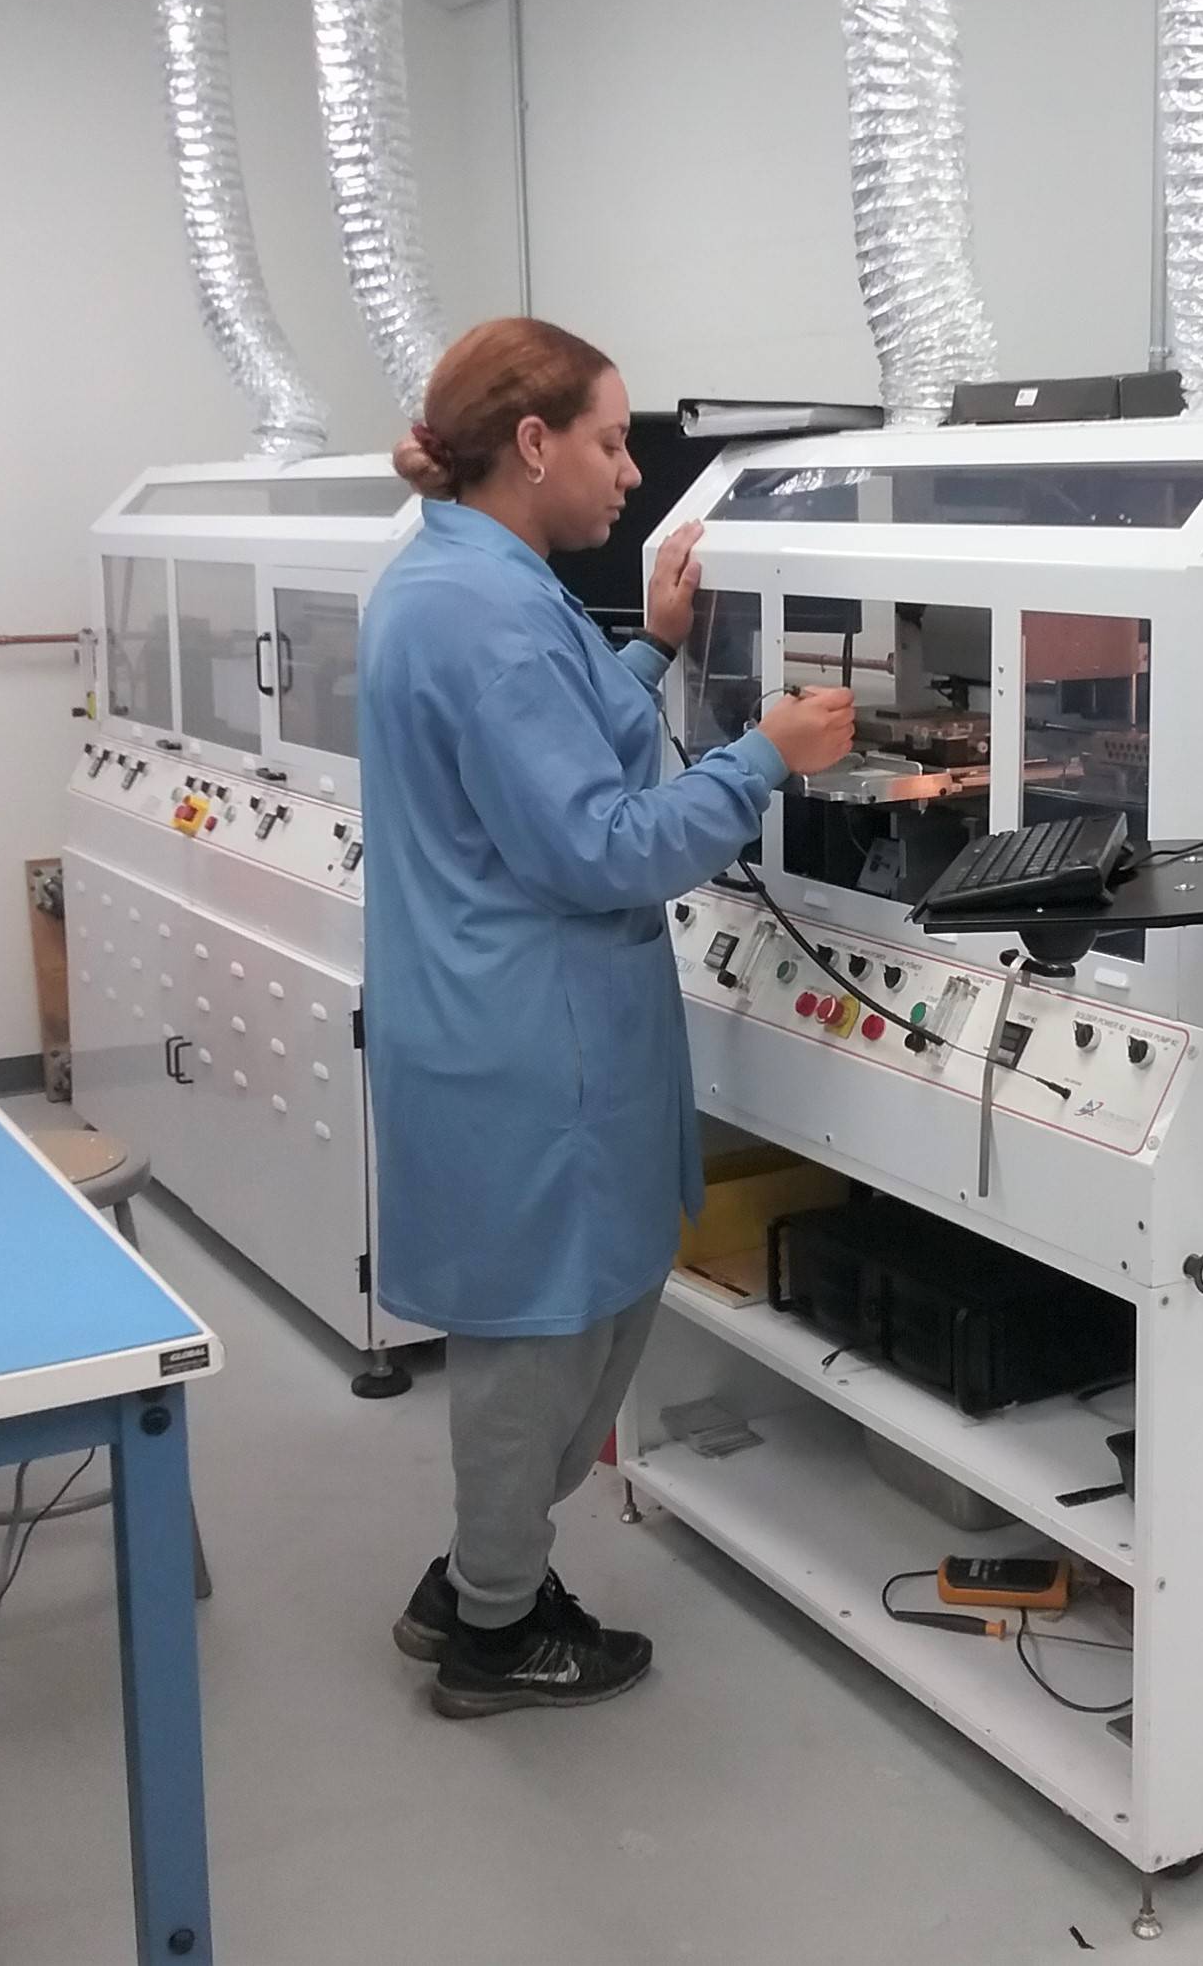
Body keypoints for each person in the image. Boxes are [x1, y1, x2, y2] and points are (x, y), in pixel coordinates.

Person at [360, 317, 855, 1720]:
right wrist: (770, 754)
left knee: (576, 1321)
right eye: (608, 439)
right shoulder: (488, 612)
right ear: (532, 446)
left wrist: (653, 646)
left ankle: (476, 1577)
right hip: (531, 1040)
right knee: (540, 1349)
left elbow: (550, 751)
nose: (631, 472)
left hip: (504, 1020)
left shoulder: (465, 582)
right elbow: (599, 846)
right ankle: (498, 1631)